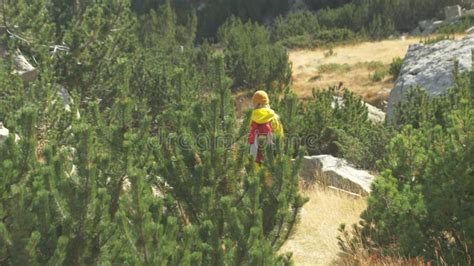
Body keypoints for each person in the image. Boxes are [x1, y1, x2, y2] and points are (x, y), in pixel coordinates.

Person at [248, 90, 284, 168]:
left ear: (257, 104)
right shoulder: (274, 118)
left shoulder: (250, 119)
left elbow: (245, 139)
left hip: (254, 163)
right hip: (271, 162)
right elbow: (280, 137)